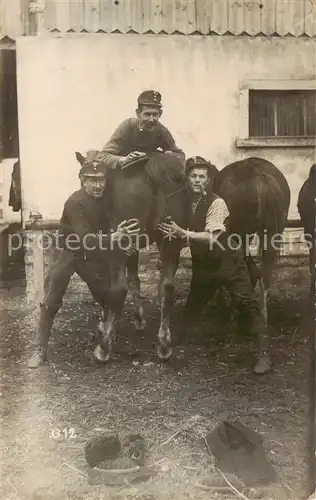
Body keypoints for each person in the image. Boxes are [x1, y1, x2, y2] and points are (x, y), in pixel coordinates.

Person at [157, 156, 271, 375]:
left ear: (208, 180)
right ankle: (176, 347)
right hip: (204, 266)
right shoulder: (178, 199)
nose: (198, 181)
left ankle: (264, 354)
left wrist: (183, 233)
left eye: (202, 176)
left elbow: (211, 237)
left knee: (249, 305)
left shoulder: (216, 202)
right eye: (193, 176)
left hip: (227, 262)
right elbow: (165, 223)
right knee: (192, 306)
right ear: (186, 178)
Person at [27, 161, 140, 369]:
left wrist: (124, 241)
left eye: (101, 180)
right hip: (68, 251)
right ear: (82, 181)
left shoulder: (107, 200)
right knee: (51, 298)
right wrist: (115, 237)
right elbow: (86, 238)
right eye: (92, 180)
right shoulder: (75, 202)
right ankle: (39, 349)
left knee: (108, 293)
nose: (97, 186)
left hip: (92, 253)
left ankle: (105, 334)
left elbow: (109, 228)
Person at [97, 90, 185, 170]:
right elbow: (103, 156)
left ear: (160, 114)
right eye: (147, 114)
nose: (151, 119)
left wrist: (154, 156)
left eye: (155, 115)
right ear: (138, 113)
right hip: (121, 172)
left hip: (146, 174)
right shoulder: (127, 126)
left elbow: (179, 155)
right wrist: (123, 160)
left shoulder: (161, 130)